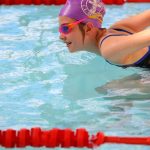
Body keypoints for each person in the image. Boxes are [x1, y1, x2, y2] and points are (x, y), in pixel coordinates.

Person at [58, 0, 150, 68]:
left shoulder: (109, 49)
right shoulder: (119, 28)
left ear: (89, 28)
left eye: (65, 28)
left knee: (112, 89)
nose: (61, 37)